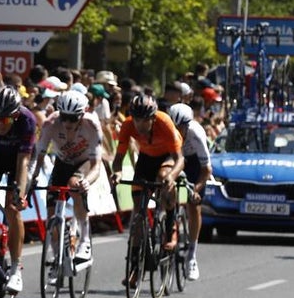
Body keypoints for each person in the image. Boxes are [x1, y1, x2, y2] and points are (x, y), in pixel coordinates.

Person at [110, 92, 185, 287]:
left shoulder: (165, 122)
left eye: (144, 121)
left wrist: (171, 176)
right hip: (146, 159)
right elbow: (118, 158)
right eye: (136, 120)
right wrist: (117, 173)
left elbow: (179, 159)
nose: (139, 126)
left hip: (167, 157)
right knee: (138, 215)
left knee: (163, 177)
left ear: (152, 118)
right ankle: (135, 268)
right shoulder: (127, 125)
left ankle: (171, 225)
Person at [31, 90, 106, 280]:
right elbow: (38, 158)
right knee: (51, 216)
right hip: (62, 163)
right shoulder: (50, 124)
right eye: (64, 117)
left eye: (73, 119)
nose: (67, 123)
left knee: (75, 185)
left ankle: (85, 240)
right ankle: (58, 258)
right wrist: (32, 180)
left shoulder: (92, 124)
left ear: (84, 113)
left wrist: (87, 182)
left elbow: (97, 166)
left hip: (84, 163)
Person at [0, 85, 38, 298]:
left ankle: (15, 267)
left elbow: (23, 163)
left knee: (12, 208)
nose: (0, 124)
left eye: (6, 120)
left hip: (19, 160)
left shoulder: (27, 121)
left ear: (15, 116)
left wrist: (19, 194)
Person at [168, 102, 211, 281]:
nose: (178, 132)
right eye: (174, 127)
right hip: (172, 156)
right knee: (166, 191)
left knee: (194, 206)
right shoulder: (166, 131)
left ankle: (192, 255)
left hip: (193, 163)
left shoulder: (196, 134)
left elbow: (206, 170)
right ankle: (166, 228)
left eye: (181, 128)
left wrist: (196, 189)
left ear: (187, 125)